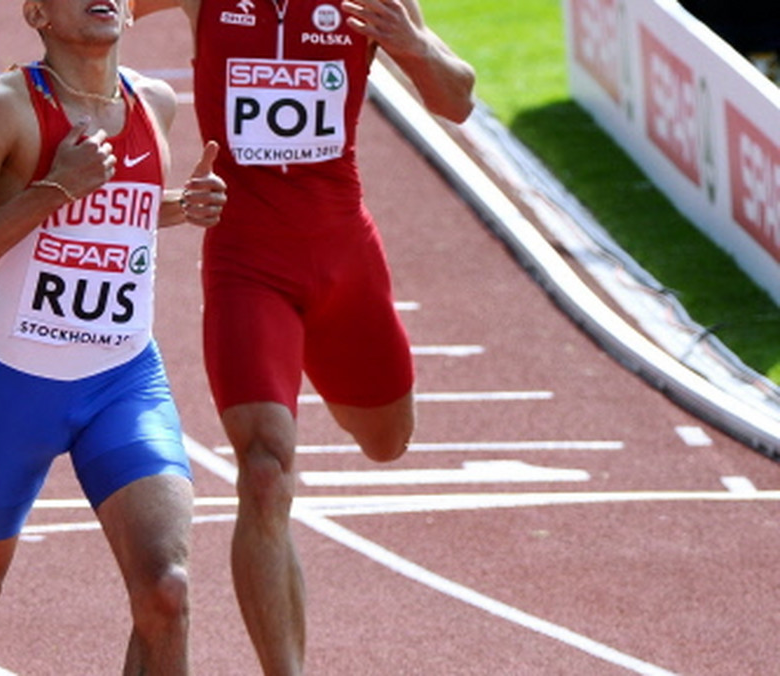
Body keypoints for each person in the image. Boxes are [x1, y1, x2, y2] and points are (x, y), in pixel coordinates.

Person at [0, 0, 226, 672]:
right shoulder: (4, 111)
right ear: (36, 12)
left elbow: (111, 209)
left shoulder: (155, 103)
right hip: (15, 389)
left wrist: (181, 208)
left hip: (123, 381)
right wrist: (51, 191)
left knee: (166, 589)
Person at [132, 0, 475, 672]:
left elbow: (457, 100)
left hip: (343, 254)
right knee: (263, 470)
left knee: (386, 441)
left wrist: (416, 44)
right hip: (246, 262)